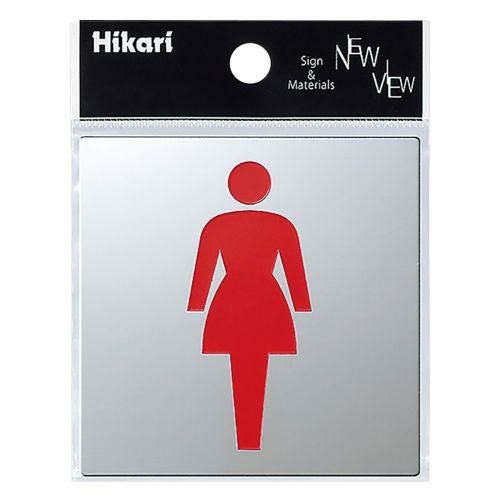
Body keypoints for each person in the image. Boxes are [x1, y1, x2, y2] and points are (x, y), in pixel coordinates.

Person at [187, 161, 311, 450]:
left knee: (245, 368)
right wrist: (301, 305)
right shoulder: (281, 225)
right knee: (252, 367)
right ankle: (249, 443)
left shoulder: (217, 225)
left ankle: (248, 443)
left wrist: (197, 305)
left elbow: (203, 276)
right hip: (266, 299)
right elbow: (295, 275)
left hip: (231, 299)